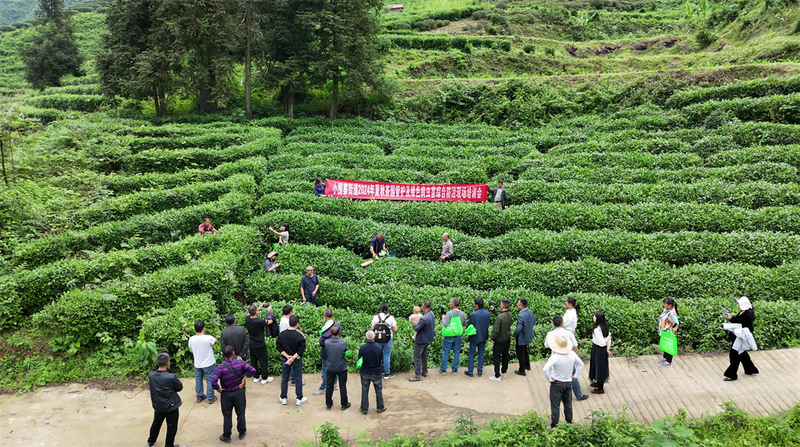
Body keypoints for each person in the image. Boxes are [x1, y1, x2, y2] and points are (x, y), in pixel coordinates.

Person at [211, 345, 257, 443]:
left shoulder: (220, 367)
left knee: (227, 415)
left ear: (223, 355)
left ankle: (226, 436)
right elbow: (252, 370)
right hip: (239, 392)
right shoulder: (241, 363)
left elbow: (213, 380)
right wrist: (244, 379)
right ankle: (242, 432)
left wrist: (218, 389)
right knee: (240, 413)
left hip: (226, 394)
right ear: (233, 353)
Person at [543, 334, 584, 428]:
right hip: (568, 382)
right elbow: (581, 364)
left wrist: (549, 379)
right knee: (568, 404)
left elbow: (545, 370)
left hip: (556, 383)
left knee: (555, 405)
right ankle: (569, 424)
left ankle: (554, 425)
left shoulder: (555, 357)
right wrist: (575, 376)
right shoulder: (572, 354)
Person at [545, 316, 588, 401]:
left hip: (555, 358)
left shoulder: (550, 334)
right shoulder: (569, 333)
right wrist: (575, 355)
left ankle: (559, 396)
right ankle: (578, 395)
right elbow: (575, 346)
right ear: (562, 323)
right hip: (568, 356)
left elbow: (546, 345)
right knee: (572, 376)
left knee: (557, 376)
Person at [147, 353, 182, 447]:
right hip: (171, 406)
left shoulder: (151, 375)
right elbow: (179, 387)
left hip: (158, 405)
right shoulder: (171, 377)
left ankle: (151, 441)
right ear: (168, 363)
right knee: (171, 426)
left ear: (157, 363)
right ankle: (169, 445)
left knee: (156, 423)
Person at [723, 296, 759, 381]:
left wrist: (736, 332)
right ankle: (751, 369)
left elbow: (746, 329)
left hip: (740, 338)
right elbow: (737, 322)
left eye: (739, 304)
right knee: (742, 354)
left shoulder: (747, 316)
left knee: (734, 354)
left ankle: (732, 375)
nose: (738, 305)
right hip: (737, 337)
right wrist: (730, 318)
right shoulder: (742, 312)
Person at [276, 315, 308, 406]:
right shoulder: (300, 335)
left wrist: (287, 357)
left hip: (285, 359)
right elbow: (301, 349)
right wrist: (293, 357)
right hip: (296, 360)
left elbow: (278, 347)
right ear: (297, 324)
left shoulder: (282, 334)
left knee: (284, 378)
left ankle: (283, 397)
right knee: (298, 379)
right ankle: (299, 398)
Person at [188, 320, 218, 404]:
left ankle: (200, 396)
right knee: (210, 379)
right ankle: (210, 397)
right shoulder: (208, 338)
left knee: (198, 379)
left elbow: (190, 346)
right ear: (203, 328)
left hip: (197, 363)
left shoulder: (191, 339)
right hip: (208, 363)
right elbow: (216, 341)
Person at [313, 309, 341, 396]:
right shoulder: (337, 324)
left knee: (325, 370)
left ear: (325, 316)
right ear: (333, 314)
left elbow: (322, 342)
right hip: (336, 350)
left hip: (327, 351)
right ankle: (334, 383)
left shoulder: (325, 328)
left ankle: (324, 387)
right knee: (334, 366)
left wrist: (321, 337)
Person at [245, 304, 274, 385]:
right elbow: (270, 321)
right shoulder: (259, 321)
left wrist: (258, 308)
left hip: (251, 344)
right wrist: (270, 312)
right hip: (260, 344)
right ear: (256, 312)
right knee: (263, 361)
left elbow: (249, 314)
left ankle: (256, 376)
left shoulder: (247, 319)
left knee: (254, 361)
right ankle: (264, 378)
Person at [359, 330, 387, 414]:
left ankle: (364, 408)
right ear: (374, 337)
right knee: (378, 390)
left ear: (365, 338)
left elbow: (360, 359)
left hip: (365, 371)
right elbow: (380, 359)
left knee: (364, 390)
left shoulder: (362, 347)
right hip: (376, 371)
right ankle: (380, 407)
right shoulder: (379, 348)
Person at [323, 326, 350, 411]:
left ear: (330, 333)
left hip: (330, 367)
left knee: (329, 385)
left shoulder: (327, 342)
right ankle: (344, 404)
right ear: (340, 332)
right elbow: (347, 352)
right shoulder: (343, 342)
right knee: (342, 386)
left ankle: (328, 404)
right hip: (341, 367)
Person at [409, 300, 435, 382]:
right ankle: (424, 371)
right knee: (424, 355)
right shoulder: (431, 314)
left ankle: (417, 375)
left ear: (423, 306)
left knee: (417, 357)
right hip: (428, 338)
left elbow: (417, 328)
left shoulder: (424, 318)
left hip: (421, 339)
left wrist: (414, 324)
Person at [465, 298, 491, 378]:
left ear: (476, 305)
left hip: (474, 337)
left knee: (472, 354)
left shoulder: (473, 314)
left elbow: (470, 324)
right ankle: (480, 371)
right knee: (481, 354)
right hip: (483, 336)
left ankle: (470, 371)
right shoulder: (487, 313)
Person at [371, 303, 398, 379]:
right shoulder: (391, 318)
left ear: (380, 309)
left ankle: (378, 372)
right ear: (388, 309)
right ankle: (387, 373)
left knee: (378, 355)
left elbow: (372, 328)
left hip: (377, 339)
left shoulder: (376, 317)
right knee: (386, 355)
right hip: (387, 340)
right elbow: (395, 329)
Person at [440, 298, 467, 375]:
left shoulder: (449, 313)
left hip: (449, 335)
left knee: (446, 352)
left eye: (450, 302)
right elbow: (464, 323)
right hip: (458, 335)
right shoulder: (462, 313)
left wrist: (443, 319)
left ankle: (444, 370)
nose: (450, 303)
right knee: (456, 352)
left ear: (453, 304)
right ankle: (455, 369)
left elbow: (445, 324)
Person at [489, 300, 512, 382]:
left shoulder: (500, 318)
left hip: (499, 340)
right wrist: (494, 311)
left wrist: (493, 338)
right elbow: (502, 317)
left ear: (502, 306)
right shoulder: (509, 315)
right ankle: (503, 371)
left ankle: (497, 376)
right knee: (505, 355)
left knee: (496, 357)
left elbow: (496, 330)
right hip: (507, 339)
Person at [589, 312, 612, 394]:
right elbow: (608, 338)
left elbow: (601, 342)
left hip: (598, 349)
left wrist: (605, 347)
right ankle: (599, 382)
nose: (593, 318)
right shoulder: (605, 327)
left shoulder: (596, 330)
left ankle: (600, 388)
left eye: (594, 317)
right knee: (600, 367)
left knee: (598, 367)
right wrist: (607, 349)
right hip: (602, 350)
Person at [513, 299, 535, 376]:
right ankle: (527, 365)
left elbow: (519, 328)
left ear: (521, 306)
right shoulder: (530, 312)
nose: (517, 305)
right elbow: (534, 321)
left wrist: (515, 335)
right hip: (528, 335)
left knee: (520, 353)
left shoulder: (521, 315)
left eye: (518, 304)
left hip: (521, 337)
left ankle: (522, 370)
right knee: (525, 350)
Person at [658, 298, 680, 368]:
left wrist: (670, 329)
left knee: (668, 346)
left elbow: (676, 323)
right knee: (665, 345)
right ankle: (665, 358)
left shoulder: (672, 314)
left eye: (665, 304)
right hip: (663, 332)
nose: (664, 305)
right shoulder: (666, 310)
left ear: (670, 305)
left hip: (667, 332)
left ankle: (668, 362)